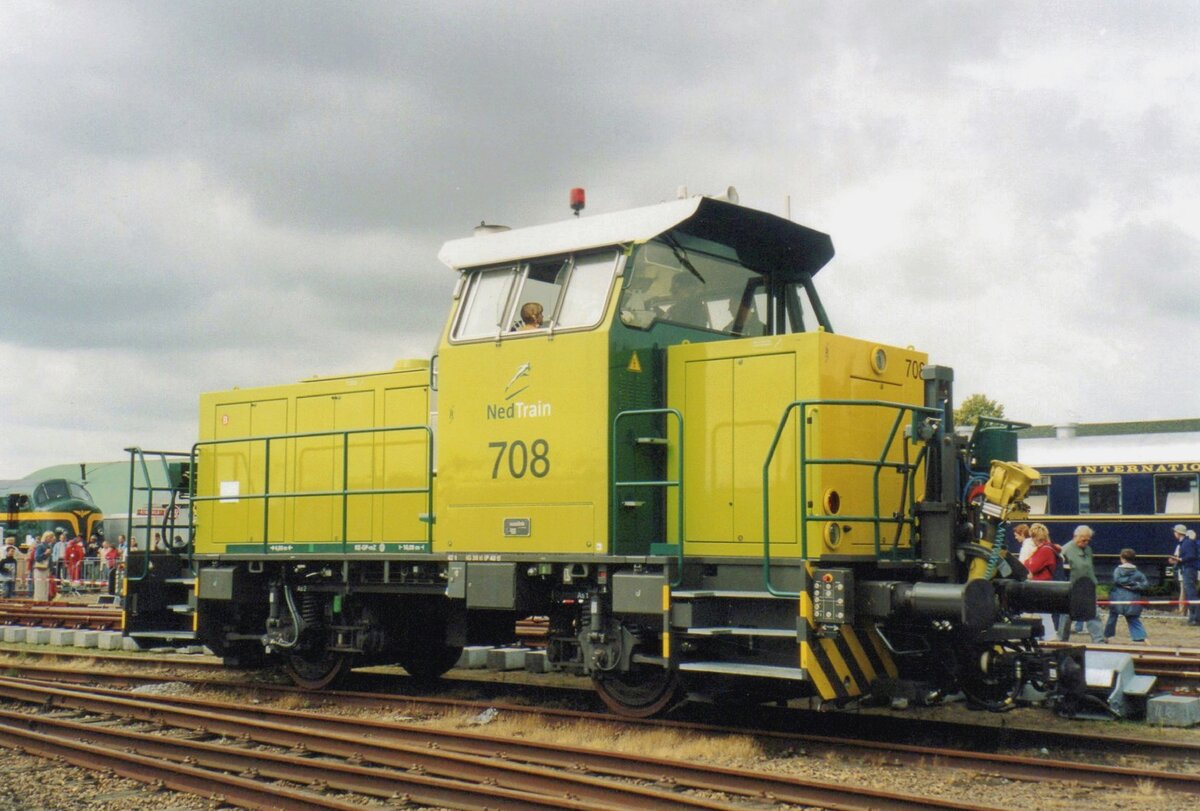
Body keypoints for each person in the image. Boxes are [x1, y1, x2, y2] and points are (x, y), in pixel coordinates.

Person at [1056, 525, 1105, 643]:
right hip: (1071, 587)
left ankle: (1099, 641)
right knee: (1066, 614)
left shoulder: (1088, 549)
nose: (1086, 542)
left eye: (1088, 540)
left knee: (1093, 613)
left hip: (1088, 586)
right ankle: (1061, 640)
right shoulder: (1065, 550)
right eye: (1084, 539)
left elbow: (1089, 567)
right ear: (1075, 537)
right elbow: (1060, 571)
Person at [1105, 548, 1149, 643]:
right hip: (1133, 598)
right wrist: (1134, 585)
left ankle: (1106, 636)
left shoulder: (1117, 570)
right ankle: (1142, 637)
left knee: (1112, 617)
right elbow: (1145, 584)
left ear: (1122, 558)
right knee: (1133, 618)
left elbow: (1116, 580)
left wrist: (1125, 584)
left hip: (1117, 598)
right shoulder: (1138, 573)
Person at [1025, 523, 1057, 639]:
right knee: (1042, 613)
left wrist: (1028, 561)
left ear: (1034, 537)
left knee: (1042, 613)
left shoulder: (1044, 550)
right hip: (1043, 585)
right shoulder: (1048, 548)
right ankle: (1046, 636)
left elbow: (1031, 566)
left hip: (1040, 586)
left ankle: (1049, 637)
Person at [1177, 524, 1199, 625]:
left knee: (1191, 594)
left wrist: (1181, 559)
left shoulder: (1186, 543)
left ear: (1178, 533)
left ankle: (1195, 618)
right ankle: (1193, 618)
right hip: (1188, 569)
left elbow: (1191, 556)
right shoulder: (1186, 542)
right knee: (1191, 594)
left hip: (1189, 570)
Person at [1168, 524, 1188, 616]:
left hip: (1185, 571)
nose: (1174, 533)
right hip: (1185, 571)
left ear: (1179, 533)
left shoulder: (1182, 544)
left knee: (1183, 591)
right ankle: (1183, 610)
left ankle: (1182, 611)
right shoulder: (1184, 543)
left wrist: (1174, 559)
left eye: (1175, 532)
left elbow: (1180, 558)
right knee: (1184, 591)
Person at [32, 531, 52, 602]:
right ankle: (39, 600)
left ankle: (44, 600)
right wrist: (45, 554)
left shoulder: (49, 546)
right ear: (46, 537)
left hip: (46, 568)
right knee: (40, 586)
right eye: (50, 537)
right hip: (40, 568)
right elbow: (37, 558)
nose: (51, 539)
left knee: (45, 586)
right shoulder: (40, 546)